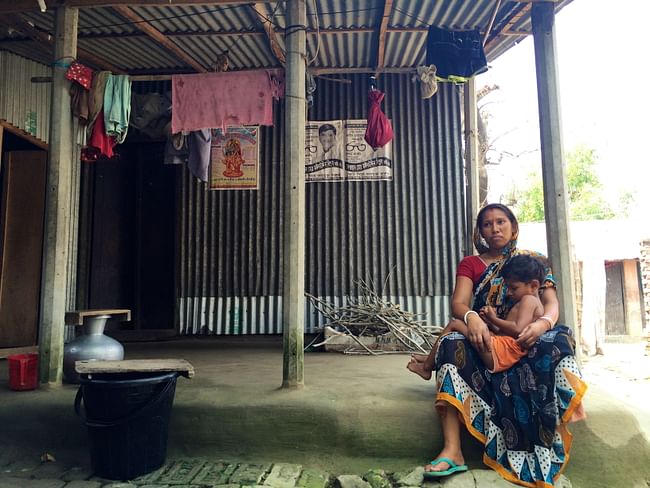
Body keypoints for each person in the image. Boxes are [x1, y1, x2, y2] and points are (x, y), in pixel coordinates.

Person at [407, 203, 586, 487]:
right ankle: (453, 450)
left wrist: (542, 324)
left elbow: (551, 304)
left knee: (559, 339)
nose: (494, 228)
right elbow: (458, 303)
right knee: (452, 343)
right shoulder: (471, 264)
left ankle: (562, 406)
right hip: (485, 337)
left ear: (514, 226)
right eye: (487, 224)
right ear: (480, 232)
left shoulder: (531, 261)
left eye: (501, 221)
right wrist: (471, 318)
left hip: (524, 338)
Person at [427, 254, 546, 373]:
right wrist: (490, 323)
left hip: (503, 352)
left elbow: (518, 329)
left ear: (534, 286)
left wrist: (493, 319)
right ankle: (430, 360)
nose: (509, 293)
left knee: (455, 324)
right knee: (475, 330)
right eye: (508, 288)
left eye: (514, 288)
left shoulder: (529, 300)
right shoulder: (532, 302)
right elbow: (507, 333)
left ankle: (427, 366)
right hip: (503, 350)